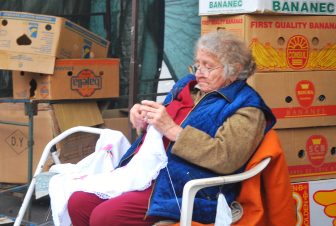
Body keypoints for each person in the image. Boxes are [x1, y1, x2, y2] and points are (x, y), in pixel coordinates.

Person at [67, 30, 276, 226]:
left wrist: (174, 131)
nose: (199, 73)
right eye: (197, 65)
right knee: (78, 202)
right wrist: (145, 119)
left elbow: (226, 157)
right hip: (150, 174)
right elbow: (162, 123)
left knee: (105, 217)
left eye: (208, 66)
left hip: (188, 188)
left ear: (235, 69)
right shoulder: (188, 86)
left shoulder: (247, 107)